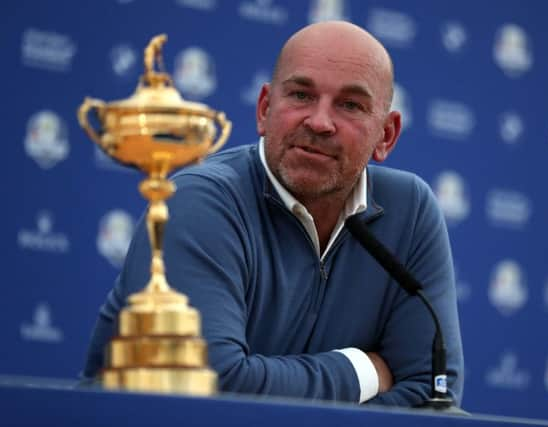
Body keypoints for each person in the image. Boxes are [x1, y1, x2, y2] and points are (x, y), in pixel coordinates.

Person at [82, 21, 464, 407]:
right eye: (301, 95)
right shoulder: (201, 201)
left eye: (350, 105)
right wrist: (363, 370)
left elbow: (431, 395)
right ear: (264, 109)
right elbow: (208, 385)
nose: (319, 122)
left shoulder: (410, 210)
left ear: (386, 135)